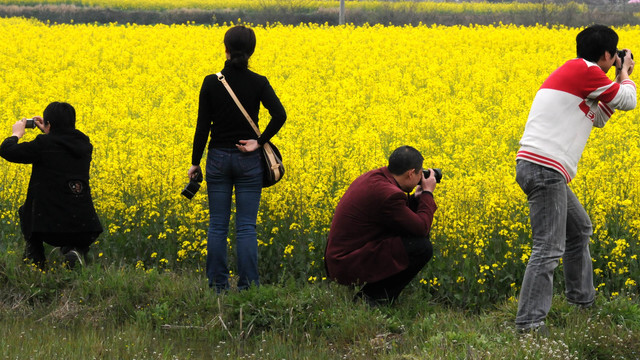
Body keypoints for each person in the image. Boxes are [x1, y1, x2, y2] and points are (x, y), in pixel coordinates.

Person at [515, 24, 636, 333]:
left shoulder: (577, 73)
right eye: (614, 56)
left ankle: (581, 302)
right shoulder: (586, 71)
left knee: (579, 229)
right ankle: (529, 325)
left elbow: (597, 118)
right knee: (548, 247)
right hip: (545, 169)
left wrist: (615, 79)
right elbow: (627, 100)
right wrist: (625, 75)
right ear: (607, 54)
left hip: (542, 168)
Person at [188, 25, 286, 293]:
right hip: (248, 160)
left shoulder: (211, 82)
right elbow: (280, 115)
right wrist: (260, 141)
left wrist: (195, 162)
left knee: (217, 227)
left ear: (226, 49)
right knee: (245, 227)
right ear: (252, 51)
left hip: (218, 158)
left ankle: (218, 287)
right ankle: (248, 288)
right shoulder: (259, 81)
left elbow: (202, 126)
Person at [324, 145, 438, 305]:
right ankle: (371, 300)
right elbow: (421, 228)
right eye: (420, 174)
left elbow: (397, 215)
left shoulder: (376, 178)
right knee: (421, 247)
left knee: (410, 237)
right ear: (411, 173)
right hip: (346, 263)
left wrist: (416, 198)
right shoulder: (389, 194)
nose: (421, 178)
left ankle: (374, 295)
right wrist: (427, 194)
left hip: (342, 257)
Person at [0, 102, 103, 269]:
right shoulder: (85, 145)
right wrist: (49, 131)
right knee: (72, 216)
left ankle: (36, 260)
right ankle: (75, 250)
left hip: (50, 226)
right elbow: (62, 143)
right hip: (84, 225)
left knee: (26, 210)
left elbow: (7, 151)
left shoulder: (43, 145)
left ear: (49, 124)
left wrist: (16, 134)